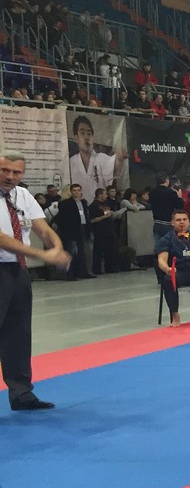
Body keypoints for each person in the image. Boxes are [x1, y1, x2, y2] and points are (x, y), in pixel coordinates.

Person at [1, 148, 71, 411]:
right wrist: (42, 255)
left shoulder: (22, 195)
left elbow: (42, 228)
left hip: (18, 271)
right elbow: (2, 238)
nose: (10, 176)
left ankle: (21, 393)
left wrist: (57, 247)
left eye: (16, 172)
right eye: (4, 170)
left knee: (18, 334)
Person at [68, 114, 121, 194]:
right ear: (76, 138)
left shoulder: (102, 158)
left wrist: (119, 159)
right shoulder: (71, 162)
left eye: (89, 134)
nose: (86, 137)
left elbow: (114, 169)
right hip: (79, 201)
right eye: (82, 133)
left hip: (99, 201)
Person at [53, 184, 93, 279]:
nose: (76, 192)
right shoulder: (65, 203)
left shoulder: (83, 203)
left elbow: (85, 216)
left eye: (78, 190)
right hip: (72, 230)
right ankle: (70, 274)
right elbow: (63, 219)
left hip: (82, 228)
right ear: (71, 192)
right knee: (71, 252)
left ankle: (83, 272)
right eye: (74, 190)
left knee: (82, 252)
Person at [87, 187, 118, 274]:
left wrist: (112, 215)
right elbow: (92, 220)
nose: (106, 196)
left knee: (109, 249)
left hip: (108, 229)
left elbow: (107, 213)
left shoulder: (106, 203)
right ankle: (97, 269)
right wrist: (104, 217)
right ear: (100, 195)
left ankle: (109, 267)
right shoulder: (93, 206)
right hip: (99, 230)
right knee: (98, 250)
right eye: (105, 194)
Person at [149, 174, 182, 243]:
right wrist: (179, 197)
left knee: (158, 245)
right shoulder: (170, 192)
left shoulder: (152, 192)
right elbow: (179, 206)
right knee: (169, 244)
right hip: (168, 223)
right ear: (167, 180)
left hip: (157, 222)